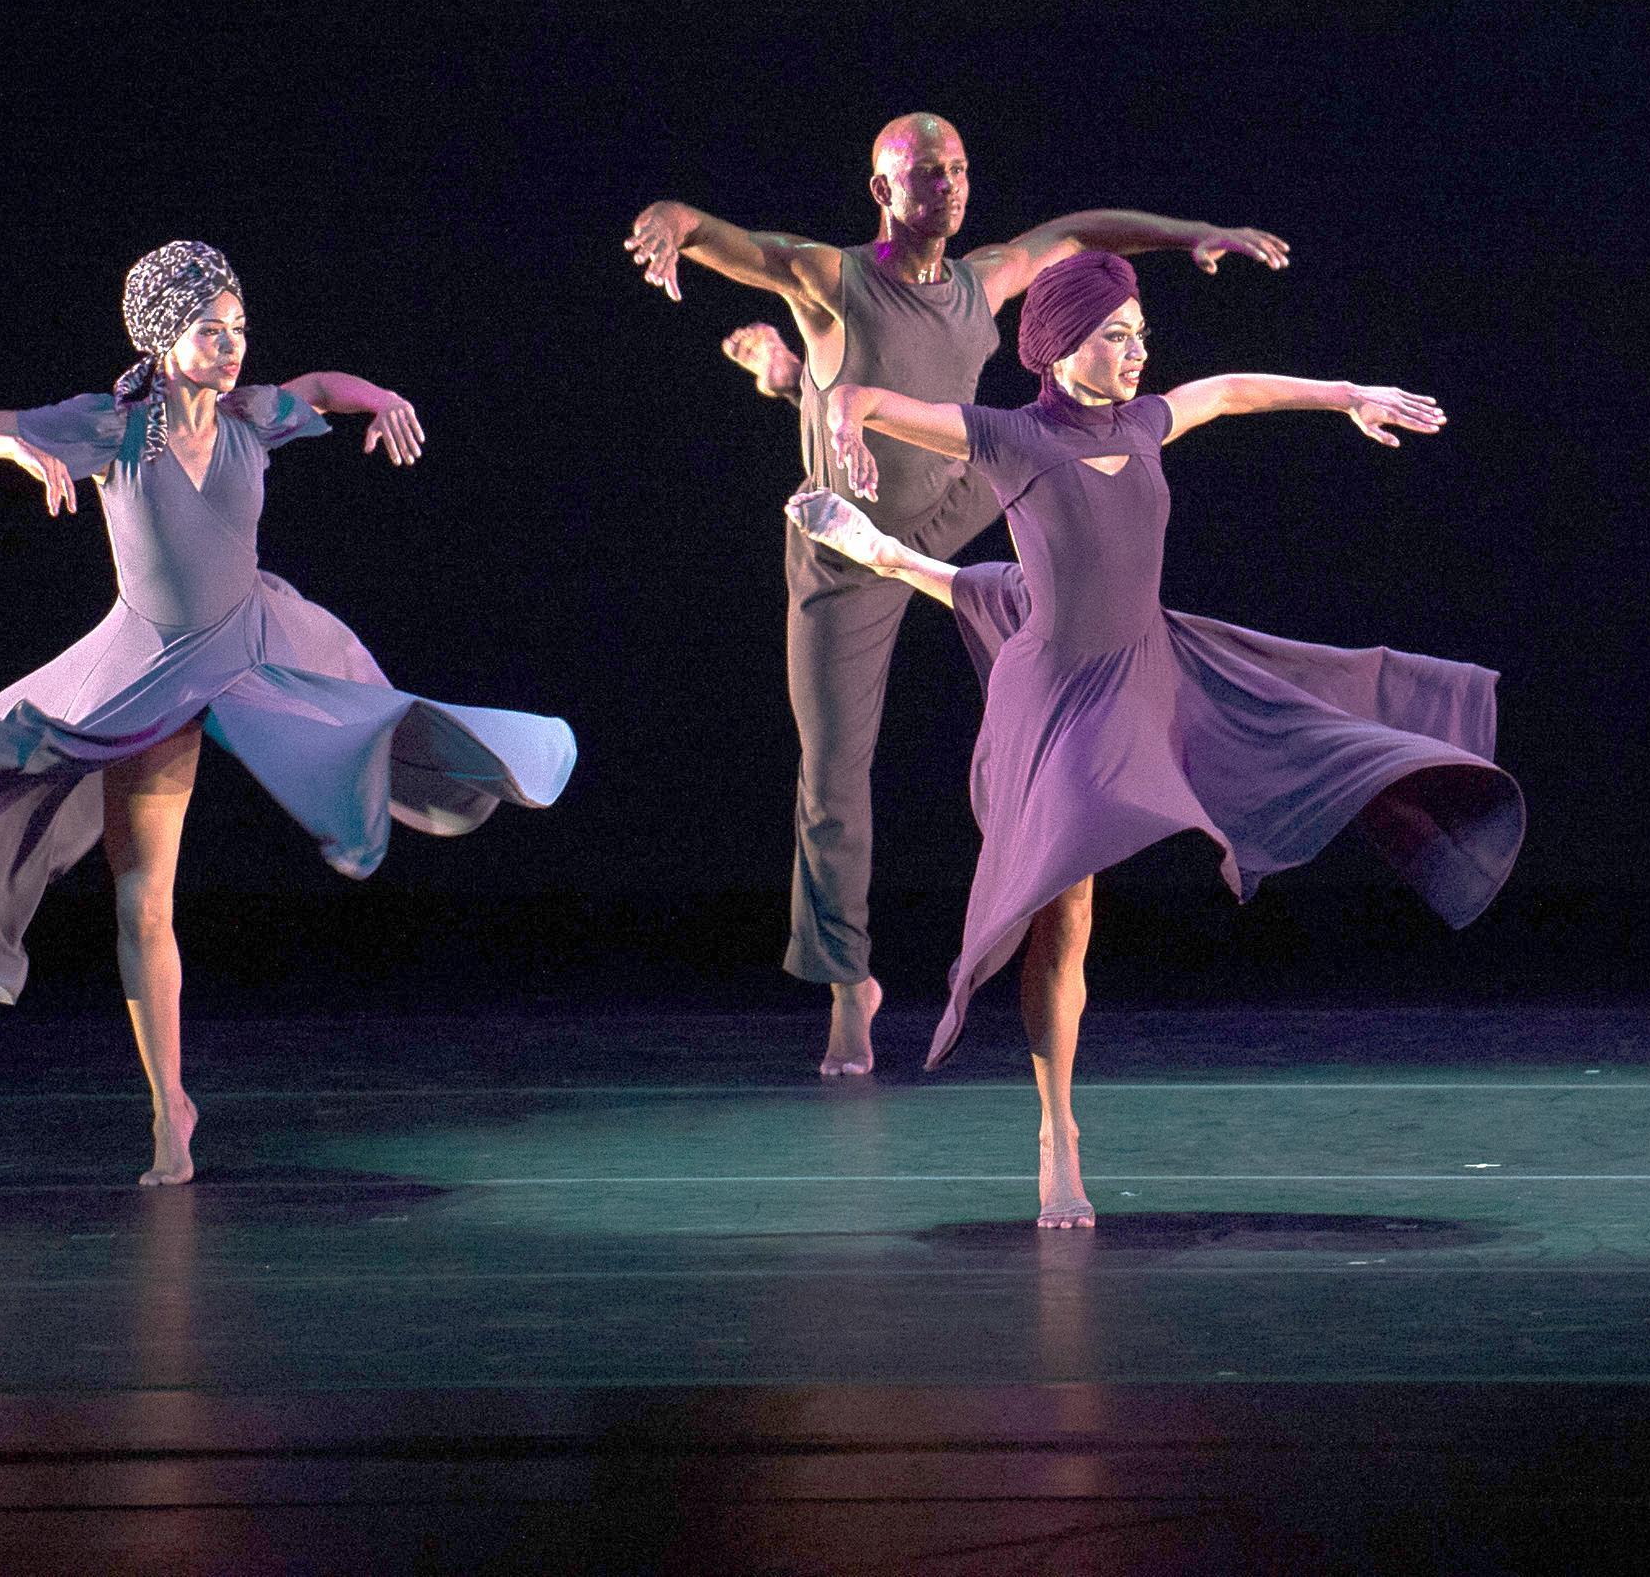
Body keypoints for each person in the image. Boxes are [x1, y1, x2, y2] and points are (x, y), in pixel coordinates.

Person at [796, 251, 1524, 1225]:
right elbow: (873, 401)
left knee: (1323, 723)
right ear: (1058, 349)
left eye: (1142, 335)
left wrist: (1346, 392)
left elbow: (1227, 390)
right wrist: (843, 415)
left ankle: (886, 555)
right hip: (1059, 694)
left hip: (1153, 666)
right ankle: (1058, 1129)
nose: (1137, 354)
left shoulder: (1145, 421)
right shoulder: (1009, 436)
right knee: (1063, 910)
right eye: (1116, 336)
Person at [0, 241, 576, 1185]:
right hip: (154, 672)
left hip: (257, 648)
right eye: (210, 330)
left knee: (378, 721)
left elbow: (317, 382)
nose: (231, 347)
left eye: (238, 329)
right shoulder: (109, 425)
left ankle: (458, 770)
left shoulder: (251, 417)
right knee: (144, 897)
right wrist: (17, 444)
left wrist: (380, 398)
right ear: (161, 336)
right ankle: (169, 1109)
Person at [624, 112, 1290, 1077]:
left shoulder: (980, 280)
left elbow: (1078, 233)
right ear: (883, 192)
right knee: (833, 768)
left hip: (957, 494)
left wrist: (1188, 235)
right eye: (927, 174)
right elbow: (734, 243)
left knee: (1049, 439)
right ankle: (851, 980)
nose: (951, 186)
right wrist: (673, 218)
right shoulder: (832, 276)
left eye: (961, 169)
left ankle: (793, 381)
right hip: (849, 549)